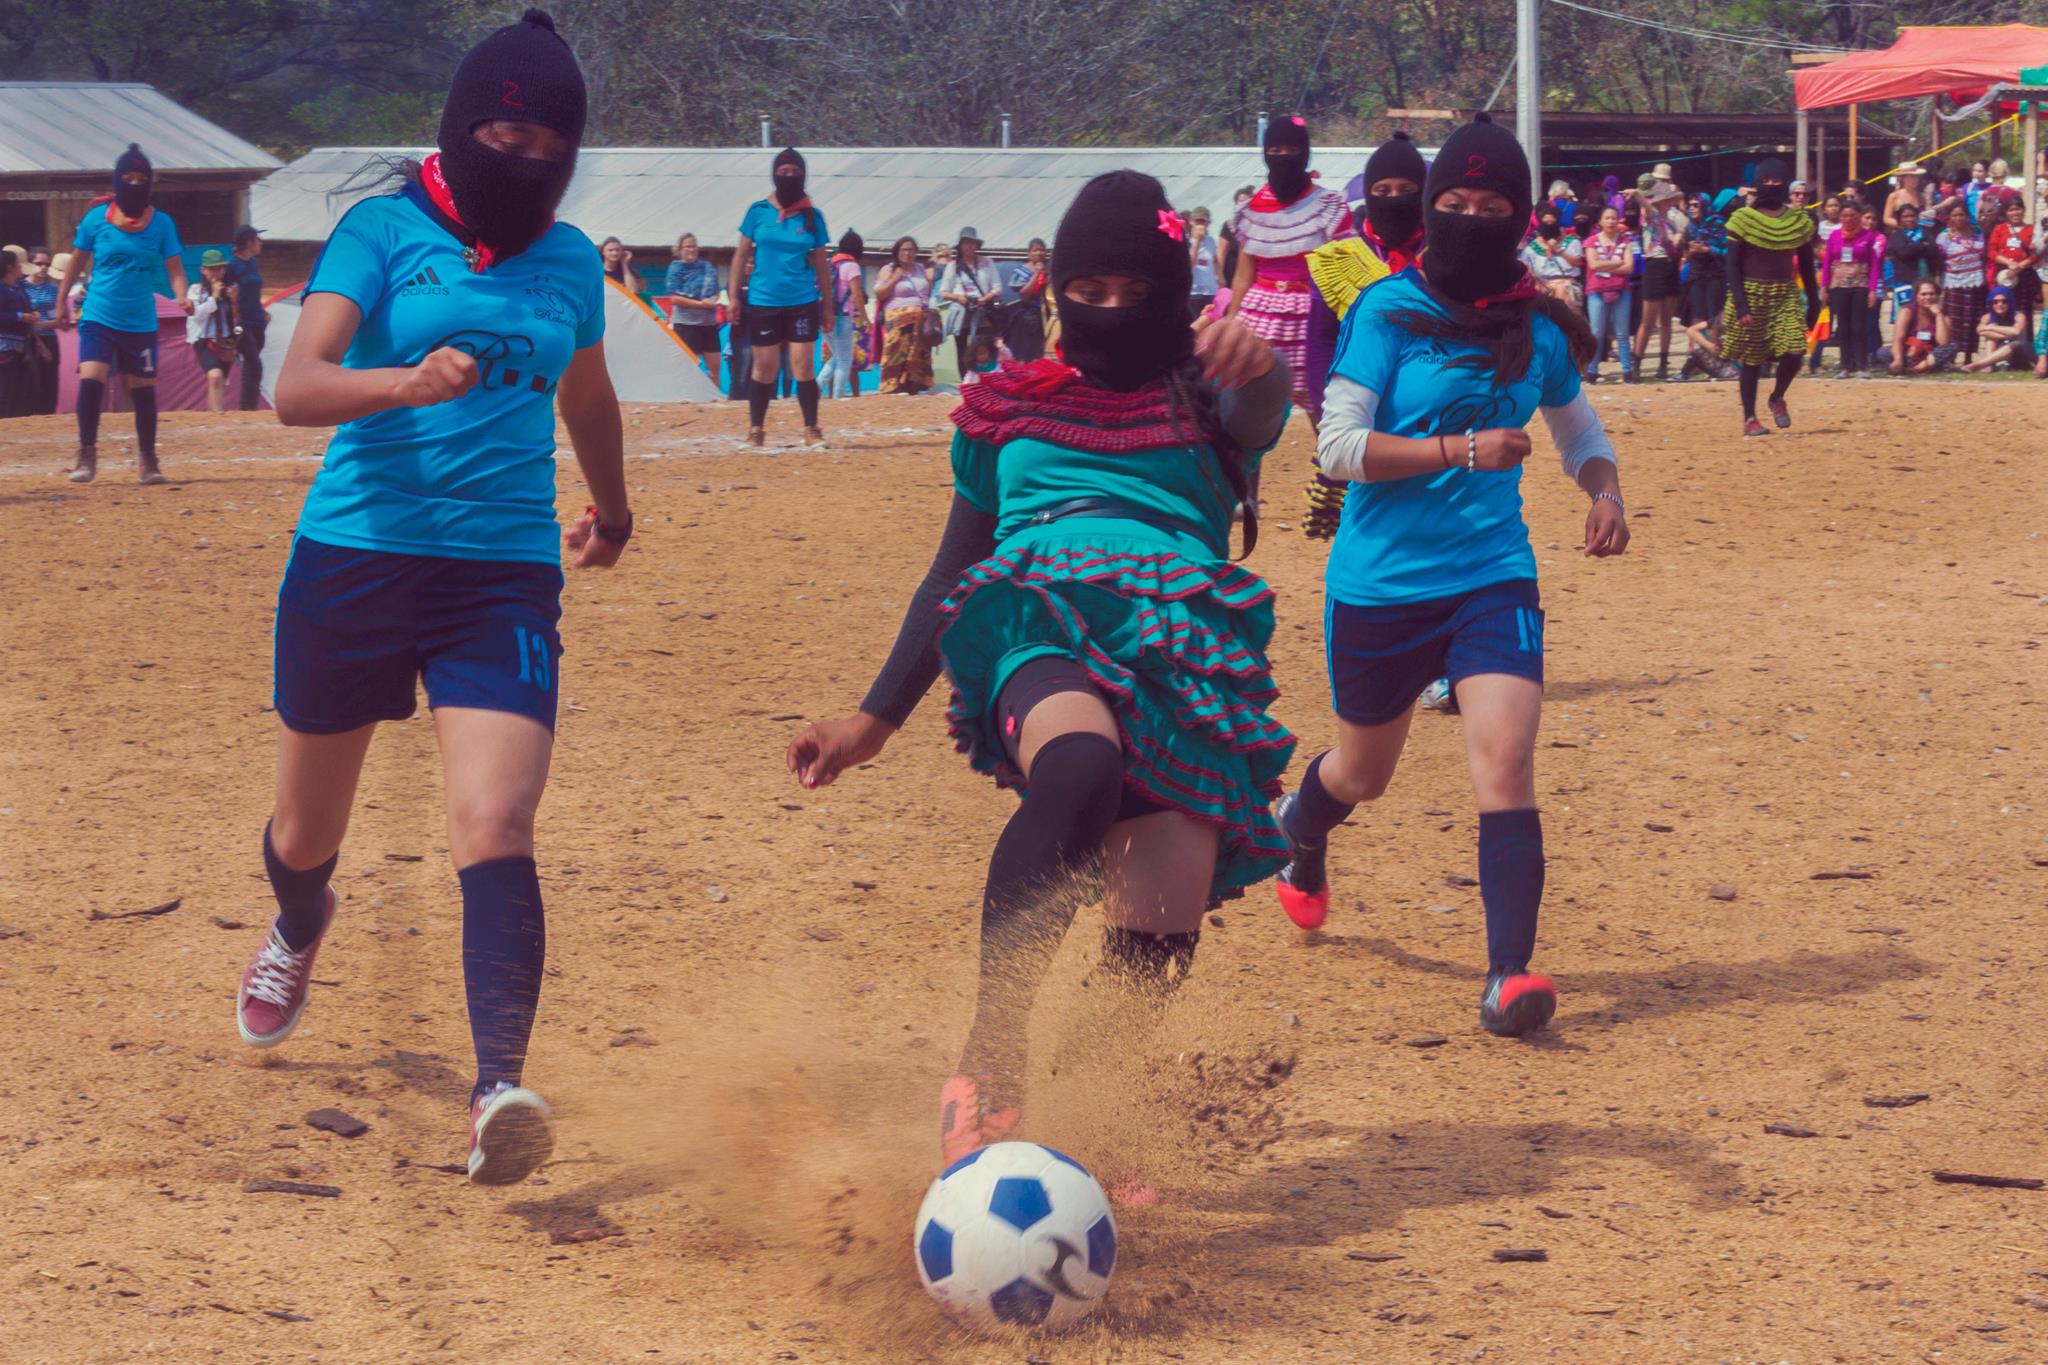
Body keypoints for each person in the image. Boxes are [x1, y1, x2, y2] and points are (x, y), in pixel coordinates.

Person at [785, 171, 1294, 1171]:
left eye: (1130, 291)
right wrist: (872, 719)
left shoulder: (1210, 395)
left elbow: (1272, 402)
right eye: (1085, 289)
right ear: (1057, 286)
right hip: (1036, 614)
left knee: (1162, 914)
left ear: (1172, 289)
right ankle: (991, 1058)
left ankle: (1091, 1125)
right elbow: (952, 563)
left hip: (1183, 648)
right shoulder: (1005, 405)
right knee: (1077, 768)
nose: (1107, 309)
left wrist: (1262, 360)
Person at [234, 8, 629, 1188]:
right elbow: (293, 391)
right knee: (305, 837)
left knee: (496, 825)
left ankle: (496, 1086)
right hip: (356, 556)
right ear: (463, 126)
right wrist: (406, 382)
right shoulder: (380, 230)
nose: (524, 153)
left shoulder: (568, 258)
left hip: (501, 573)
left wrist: (612, 510)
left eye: (546, 137)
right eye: (502, 128)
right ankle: (301, 926)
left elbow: (589, 399)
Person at [1278, 113, 1628, 1040]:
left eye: (1493, 205)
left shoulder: (1538, 327)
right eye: (1455, 203)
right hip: (1382, 585)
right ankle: (1300, 831)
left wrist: (1605, 490)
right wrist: (1460, 447)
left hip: (1491, 575)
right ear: (1431, 211)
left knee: (1506, 761)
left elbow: (1579, 430)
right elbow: (1339, 445)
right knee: (1362, 773)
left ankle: (1509, 975)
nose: (1472, 217)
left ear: (1518, 218)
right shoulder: (1385, 313)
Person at [1300, 132, 1425, 538]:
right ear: (1367, 195)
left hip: (1429, 412)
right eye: (1382, 189)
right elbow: (1319, 341)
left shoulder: (1443, 255)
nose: (1394, 198)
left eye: (1407, 190)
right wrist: (1328, 416)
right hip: (1357, 409)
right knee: (1363, 524)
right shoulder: (1339, 260)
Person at [53, 143, 192, 484]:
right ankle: (86, 456)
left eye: (141, 177)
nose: (134, 182)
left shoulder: (161, 223)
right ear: (117, 180)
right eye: (127, 177)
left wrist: (182, 296)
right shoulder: (96, 219)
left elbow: (174, 266)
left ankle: (148, 460)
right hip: (99, 315)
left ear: (149, 182)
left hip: (140, 321)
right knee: (92, 378)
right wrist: (60, 302)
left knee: (142, 389)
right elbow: (76, 263)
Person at [1224, 113, 1350, 412]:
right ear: (1265, 154)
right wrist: (1230, 322)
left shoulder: (1328, 206)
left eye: (1292, 151)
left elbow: (1341, 272)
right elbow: (1243, 276)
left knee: (1322, 403)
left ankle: (1331, 456)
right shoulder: (1249, 211)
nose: (1283, 157)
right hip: (1258, 320)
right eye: (1275, 151)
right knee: (1249, 406)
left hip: (1313, 319)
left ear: (1305, 154)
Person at [731, 147, 831, 447]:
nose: (789, 177)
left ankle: (811, 427)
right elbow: (740, 256)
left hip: (802, 301)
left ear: (804, 175)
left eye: (795, 172)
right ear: (774, 174)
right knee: (765, 367)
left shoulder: (813, 216)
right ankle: (756, 428)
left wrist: (829, 304)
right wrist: (734, 296)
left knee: (803, 366)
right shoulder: (757, 212)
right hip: (763, 301)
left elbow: (822, 266)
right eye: (783, 172)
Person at [1720, 159, 1818, 438]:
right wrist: (1740, 304)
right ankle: (1749, 418)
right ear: (1758, 184)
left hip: (1785, 293)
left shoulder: (1798, 221)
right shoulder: (1742, 220)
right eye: (1767, 182)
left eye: (1778, 182)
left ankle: (1777, 397)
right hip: (1751, 293)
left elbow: (1808, 267)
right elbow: (1732, 266)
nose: (1772, 187)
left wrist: (1814, 302)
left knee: (1795, 349)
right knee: (1752, 360)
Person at [1820, 204, 1882, 379]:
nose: (1848, 219)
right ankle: (1845, 366)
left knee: (1859, 326)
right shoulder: (1834, 236)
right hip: (1838, 286)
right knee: (1843, 327)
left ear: (1859, 216)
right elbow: (1827, 264)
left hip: (1860, 285)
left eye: (1852, 216)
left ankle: (1862, 366)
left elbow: (1874, 265)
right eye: (1845, 216)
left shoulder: (1868, 237)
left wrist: (1872, 290)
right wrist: (1824, 287)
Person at [1632, 181, 1687, 378]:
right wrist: (1638, 193)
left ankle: (1663, 363)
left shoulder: (1673, 218)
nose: (1668, 203)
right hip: (1655, 264)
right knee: (1648, 319)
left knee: (1666, 319)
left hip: (1670, 264)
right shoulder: (1650, 215)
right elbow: (1645, 205)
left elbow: (1683, 230)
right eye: (1666, 200)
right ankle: (1637, 361)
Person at [875, 235, 935, 394]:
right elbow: (879, 294)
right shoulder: (889, 269)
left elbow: (926, 292)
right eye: (904, 250)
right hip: (897, 316)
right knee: (898, 348)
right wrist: (895, 278)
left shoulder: (921, 269)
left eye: (911, 250)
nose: (907, 253)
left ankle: (915, 382)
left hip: (919, 317)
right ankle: (893, 383)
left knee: (918, 349)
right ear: (897, 252)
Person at [664, 232, 723, 390]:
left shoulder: (707, 267)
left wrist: (715, 300)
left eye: (694, 246)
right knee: (688, 366)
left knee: (715, 365)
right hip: (686, 323)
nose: (692, 249)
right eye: (688, 246)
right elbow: (674, 298)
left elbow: (716, 291)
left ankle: (714, 394)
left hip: (708, 323)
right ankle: (688, 395)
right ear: (680, 250)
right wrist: (701, 304)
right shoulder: (676, 268)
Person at [1582, 206, 1635, 382]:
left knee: (1622, 333)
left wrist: (1604, 263)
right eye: (1607, 218)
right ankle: (1592, 370)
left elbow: (1629, 267)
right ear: (1600, 222)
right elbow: (1593, 265)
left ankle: (1627, 371)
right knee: (1597, 332)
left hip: (1621, 289)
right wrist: (1617, 262)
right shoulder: (1591, 241)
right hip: (1596, 290)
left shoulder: (1625, 241)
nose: (1611, 221)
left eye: (1614, 218)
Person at [940, 227, 1001, 377]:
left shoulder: (987, 263)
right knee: (963, 350)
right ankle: (966, 383)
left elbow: (997, 288)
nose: (969, 246)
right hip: (961, 311)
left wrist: (984, 299)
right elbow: (943, 292)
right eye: (966, 243)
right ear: (960, 245)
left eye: (972, 243)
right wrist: (959, 298)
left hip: (983, 312)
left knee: (986, 346)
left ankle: (988, 380)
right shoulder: (953, 266)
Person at [185, 247, 240, 412]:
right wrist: (214, 297)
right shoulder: (195, 290)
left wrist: (234, 301)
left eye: (220, 269)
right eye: (212, 269)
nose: (216, 273)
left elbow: (235, 317)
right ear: (203, 270)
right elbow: (197, 315)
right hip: (204, 339)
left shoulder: (230, 289)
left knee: (219, 381)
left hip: (225, 340)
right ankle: (218, 415)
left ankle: (213, 416)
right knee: (215, 376)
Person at [222, 225, 268, 410]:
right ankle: (247, 407)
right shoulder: (233, 266)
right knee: (254, 364)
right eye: (257, 240)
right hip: (241, 323)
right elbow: (223, 294)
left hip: (258, 320)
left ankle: (249, 407)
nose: (260, 243)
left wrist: (263, 312)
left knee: (251, 366)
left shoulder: (253, 263)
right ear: (249, 243)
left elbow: (253, 292)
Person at [1935, 201, 1986, 363]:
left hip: (1975, 283)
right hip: (1954, 284)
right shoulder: (1944, 236)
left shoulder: (1978, 232)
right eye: (1955, 215)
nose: (1958, 218)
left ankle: (1968, 358)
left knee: (1972, 320)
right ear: (1949, 217)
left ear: (1967, 216)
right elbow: (1939, 261)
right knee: (1954, 321)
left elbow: (1983, 254)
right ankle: (1950, 357)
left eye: (1961, 214)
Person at [821, 230, 867, 399]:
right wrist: (865, 317)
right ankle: (838, 396)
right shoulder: (852, 266)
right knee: (845, 360)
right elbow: (857, 295)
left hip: (824, 316)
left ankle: (817, 387)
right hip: (843, 317)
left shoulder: (829, 263)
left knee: (836, 357)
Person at [1877, 280, 1956, 373]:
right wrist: (1898, 360)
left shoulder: (1944, 316)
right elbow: (1898, 340)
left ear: (1937, 296)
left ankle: (1918, 369)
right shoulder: (1906, 312)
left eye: (1932, 294)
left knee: (1951, 347)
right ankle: (1904, 367)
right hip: (1909, 354)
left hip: (1930, 357)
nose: (1928, 297)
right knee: (1883, 352)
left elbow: (1943, 343)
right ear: (1916, 296)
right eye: (1923, 294)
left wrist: (1938, 315)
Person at [1987, 197, 2040, 322]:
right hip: (2003, 275)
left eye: (2018, 209)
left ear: (2023, 210)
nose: (2015, 213)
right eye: (2011, 210)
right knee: (2002, 306)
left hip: (2024, 276)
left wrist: (2020, 266)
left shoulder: (2032, 229)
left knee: (2023, 310)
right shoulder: (2000, 228)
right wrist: (2009, 263)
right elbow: (1992, 252)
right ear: (2006, 212)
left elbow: (2037, 253)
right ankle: (2003, 337)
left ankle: (2024, 339)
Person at [20, 245, 58, 414]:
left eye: (47, 264)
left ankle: (48, 417)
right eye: (39, 263)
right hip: (29, 339)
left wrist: (41, 324)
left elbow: (58, 319)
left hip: (50, 337)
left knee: (50, 381)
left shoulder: (53, 289)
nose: (43, 267)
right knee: (31, 382)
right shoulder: (21, 287)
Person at [1000, 237, 1050, 362]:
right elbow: (1024, 294)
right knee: (1028, 354)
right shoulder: (1021, 271)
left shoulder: (1051, 269)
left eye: (1041, 250)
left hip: (1049, 315)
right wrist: (1037, 274)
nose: (1038, 253)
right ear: (1029, 253)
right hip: (1030, 316)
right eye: (1035, 250)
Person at [0, 249, 37, 417]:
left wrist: (30, 315)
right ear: (9, 267)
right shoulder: (2, 289)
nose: (20, 267)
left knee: (16, 389)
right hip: (5, 346)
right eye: (17, 263)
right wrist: (20, 316)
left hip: (19, 345)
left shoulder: (16, 289)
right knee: (5, 390)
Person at [1522, 208, 1584, 307]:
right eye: (1545, 222)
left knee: (1561, 291)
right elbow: (1525, 270)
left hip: (1567, 283)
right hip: (1543, 285)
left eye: (1552, 222)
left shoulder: (1571, 241)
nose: (1549, 225)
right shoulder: (1531, 248)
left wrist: (1558, 251)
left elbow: (1578, 262)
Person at [1964, 285, 2032, 371]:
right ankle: (1989, 365)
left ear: (2010, 302)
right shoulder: (1987, 317)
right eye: (1995, 302)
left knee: (2016, 344)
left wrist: (1992, 328)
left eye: (2004, 301)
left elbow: (2016, 332)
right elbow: (1980, 330)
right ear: (1991, 303)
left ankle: (1977, 365)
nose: (2000, 305)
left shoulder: (2019, 316)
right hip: (1999, 351)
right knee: (1991, 339)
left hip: (2020, 354)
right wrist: (2007, 335)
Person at [1187, 209, 1218, 319]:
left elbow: (1214, 261)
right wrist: (1197, 242)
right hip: (1194, 292)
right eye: (1197, 221)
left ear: (1208, 224)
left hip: (1210, 290)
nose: (1200, 224)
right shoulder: (1187, 242)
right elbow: (1189, 265)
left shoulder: (1211, 241)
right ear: (1191, 222)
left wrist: (1219, 279)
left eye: (1203, 222)